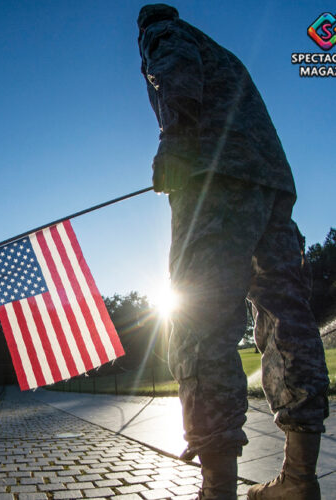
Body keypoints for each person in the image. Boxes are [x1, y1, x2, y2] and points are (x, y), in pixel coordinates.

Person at [137, 4, 329, 499]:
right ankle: (300, 478)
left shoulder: (164, 32)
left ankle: (217, 489)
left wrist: (175, 144)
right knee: (288, 318)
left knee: (200, 325)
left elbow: (174, 68)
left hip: (215, 183)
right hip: (270, 187)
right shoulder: (222, 53)